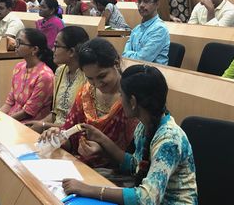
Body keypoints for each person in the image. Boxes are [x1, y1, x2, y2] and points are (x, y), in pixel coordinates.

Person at [62, 64, 198, 205]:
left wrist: (89, 190)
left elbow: (147, 198)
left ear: (132, 102)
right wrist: (101, 142)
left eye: (121, 95)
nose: (120, 99)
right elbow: (135, 166)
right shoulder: (144, 125)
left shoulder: (169, 140)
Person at [39, 38, 137, 168]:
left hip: (114, 173)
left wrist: (103, 150)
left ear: (117, 63)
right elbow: (72, 141)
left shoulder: (132, 100)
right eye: (90, 78)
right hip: (80, 164)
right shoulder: (86, 93)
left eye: (102, 76)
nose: (97, 84)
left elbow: (135, 162)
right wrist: (58, 136)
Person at [27, 26, 89, 133]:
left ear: (71, 51)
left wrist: (43, 125)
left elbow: (82, 123)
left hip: (74, 134)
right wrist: (38, 125)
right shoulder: (60, 71)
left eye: (56, 46)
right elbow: (56, 113)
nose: (52, 50)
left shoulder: (87, 76)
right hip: (52, 131)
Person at [0, 28, 56, 122]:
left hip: (29, 123)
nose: (15, 45)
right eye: (16, 41)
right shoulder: (19, 67)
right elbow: (9, 102)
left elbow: (28, 112)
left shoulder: (45, 75)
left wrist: (5, 121)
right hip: (13, 119)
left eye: (20, 42)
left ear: (34, 49)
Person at [122, 0, 170, 65]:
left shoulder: (160, 29)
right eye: (139, 1)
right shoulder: (136, 29)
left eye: (146, 1)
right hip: (135, 71)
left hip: (153, 74)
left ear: (157, 4)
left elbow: (141, 60)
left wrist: (130, 54)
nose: (141, 5)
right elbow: (124, 55)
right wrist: (133, 55)